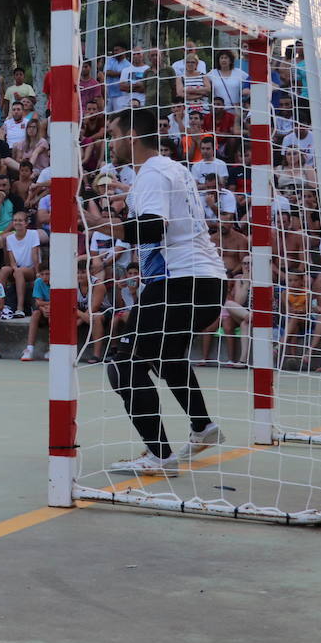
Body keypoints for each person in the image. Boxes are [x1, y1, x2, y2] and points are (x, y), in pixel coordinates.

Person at [99, 107, 227, 474]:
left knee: (123, 365)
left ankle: (160, 456)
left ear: (130, 137)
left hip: (179, 283)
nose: (111, 140)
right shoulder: (174, 168)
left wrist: (103, 224)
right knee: (167, 354)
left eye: (113, 132)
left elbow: (153, 230)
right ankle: (203, 427)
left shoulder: (151, 174)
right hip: (208, 283)